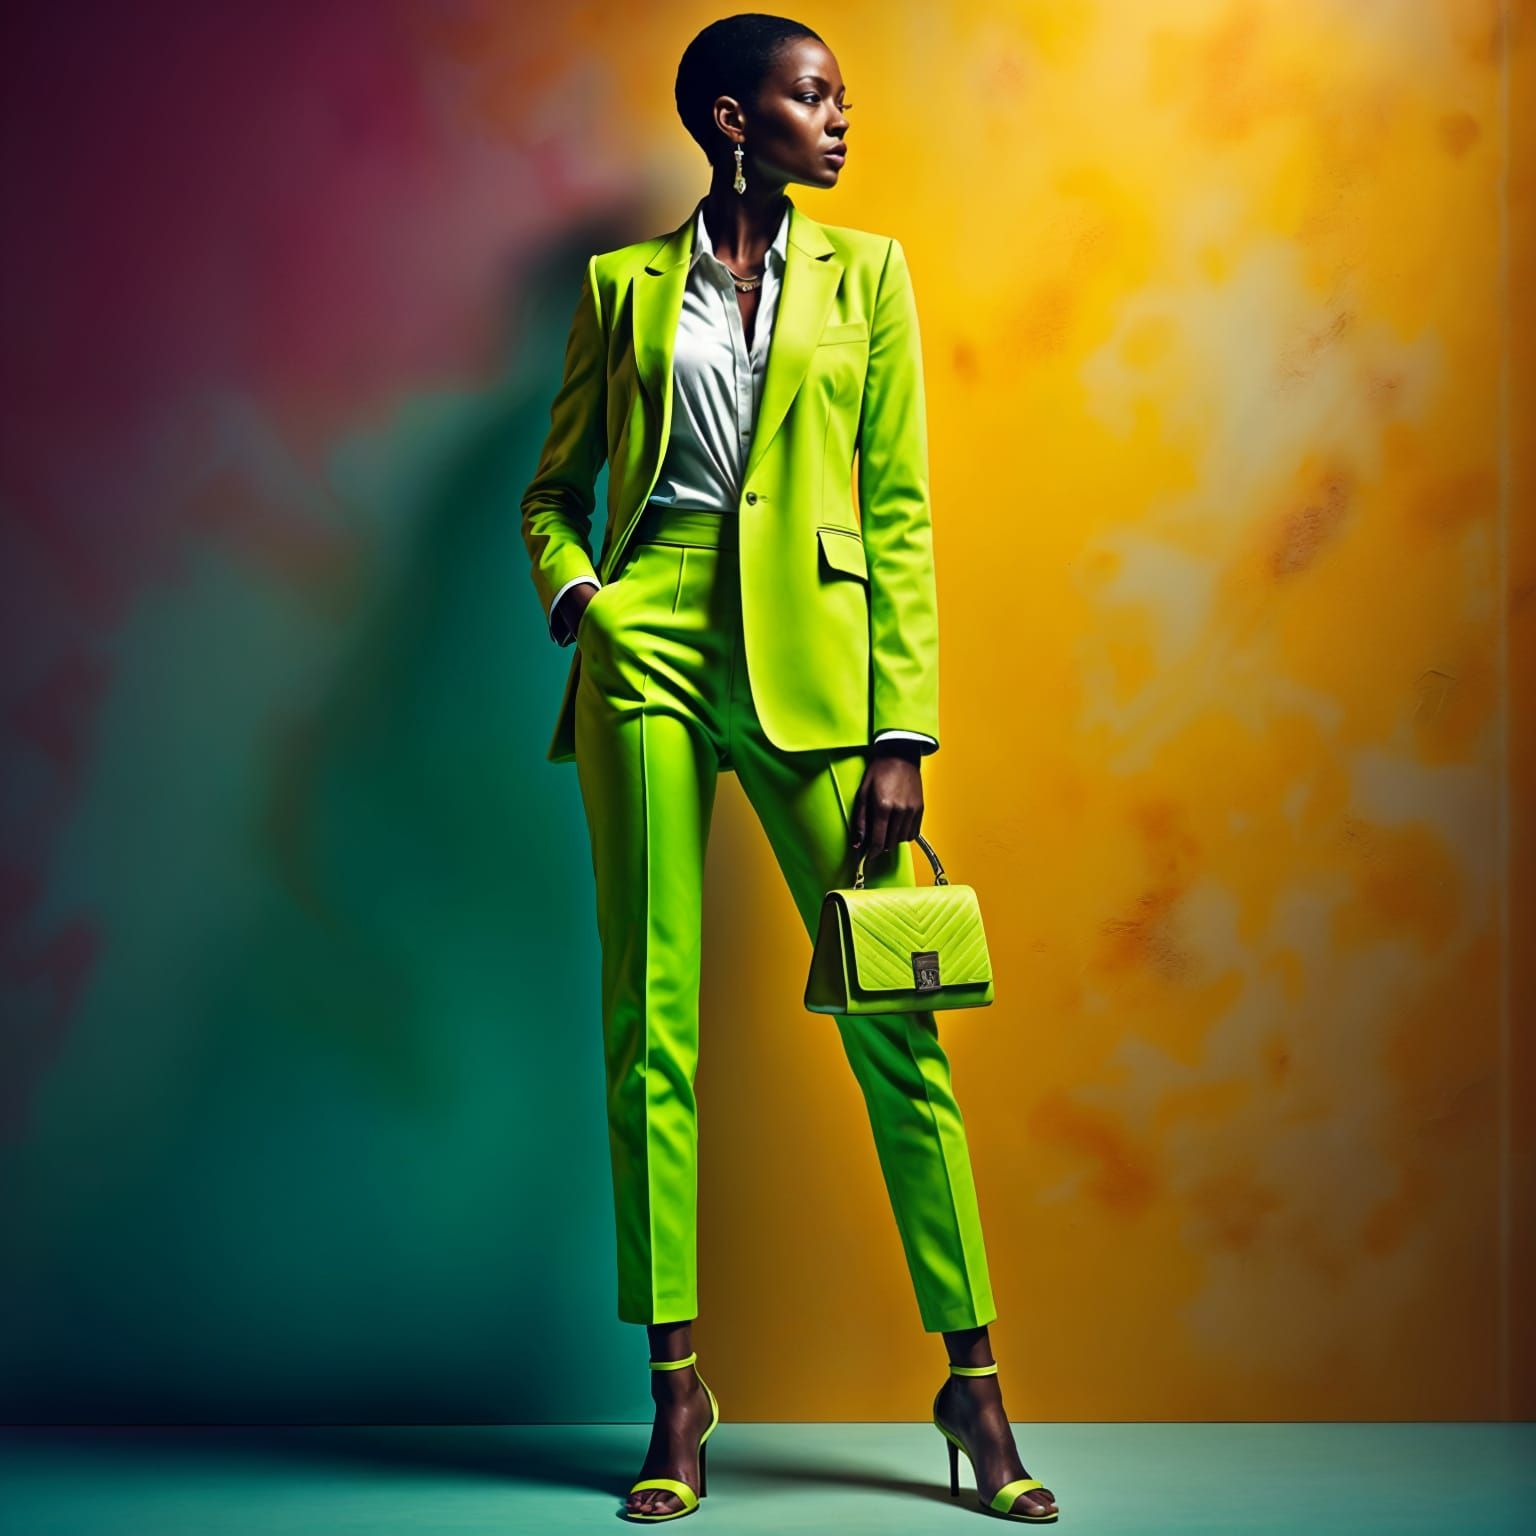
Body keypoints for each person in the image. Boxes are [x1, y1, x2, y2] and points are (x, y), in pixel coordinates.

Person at [519, 13, 1060, 1526]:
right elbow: (554, 488)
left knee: (900, 1016)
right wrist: (584, 598)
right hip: (650, 651)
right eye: (812, 96)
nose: (839, 119)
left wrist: (902, 730)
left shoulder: (867, 276)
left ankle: (975, 1385)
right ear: (728, 117)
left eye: (842, 97)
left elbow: (898, 510)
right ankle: (677, 1391)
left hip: (819, 671)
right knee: (653, 1021)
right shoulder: (619, 288)